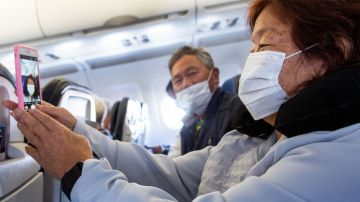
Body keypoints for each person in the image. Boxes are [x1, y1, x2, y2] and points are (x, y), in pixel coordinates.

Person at [4, 0, 360, 201]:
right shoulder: (263, 133)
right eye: (251, 48)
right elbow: (173, 174)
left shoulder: (343, 153)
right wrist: (80, 132)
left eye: (264, 46)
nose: (253, 61)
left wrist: (78, 169)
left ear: (330, 52)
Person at [167, 46, 245, 156]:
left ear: (214, 76)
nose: (186, 84)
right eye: (178, 80)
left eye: (192, 73)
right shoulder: (188, 126)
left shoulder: (237, 110)